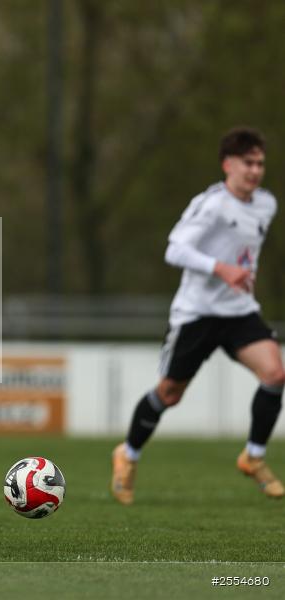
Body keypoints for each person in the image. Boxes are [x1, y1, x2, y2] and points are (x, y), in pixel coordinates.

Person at [112, 127, 285, 505]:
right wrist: (221, 268)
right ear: (227, 165)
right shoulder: (211, 205)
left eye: (260, 163)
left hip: (239, 311)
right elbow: (174, 249)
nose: (255, 171)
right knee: (169, 394)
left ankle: (253, 457)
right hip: (197, 313)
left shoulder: (266, 204)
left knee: (275, 374)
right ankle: (128, 453)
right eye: (248, 163)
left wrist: (240, 271)